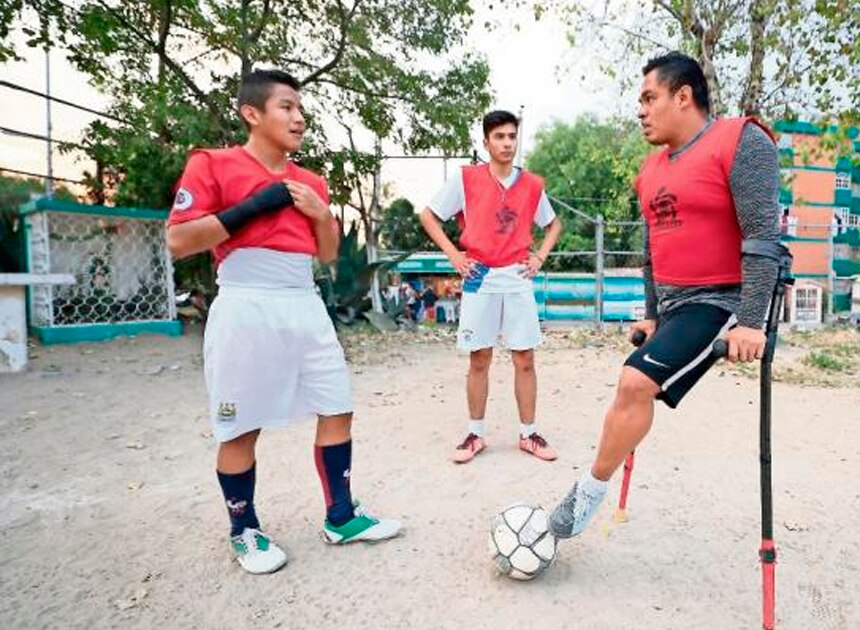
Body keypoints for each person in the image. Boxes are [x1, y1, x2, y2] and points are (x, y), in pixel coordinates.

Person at [165, 69, 401, 575]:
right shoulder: (212, 164)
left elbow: (328, 254)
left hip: (303, 300)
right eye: (286, 107)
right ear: (252, 113)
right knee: (240, 427)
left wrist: (321, 214)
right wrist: (249, 208)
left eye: (300, 109)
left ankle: (341, 516)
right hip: (246, 300)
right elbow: (178, 241)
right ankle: (244, 530)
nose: (298, 118)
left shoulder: (311, 182)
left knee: (337, 407)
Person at [547, 52, 782, 538]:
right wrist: (652, 313)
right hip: (673, 306)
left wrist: (751, 323)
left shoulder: (743, 141)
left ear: (683, 96)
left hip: (720, 301)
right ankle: (593, 486)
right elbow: (652, 249)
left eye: (649, 98)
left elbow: (763, 237)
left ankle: (586, 495)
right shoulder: (650, 170)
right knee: (631, 384)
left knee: (633, 383)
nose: (641, 110)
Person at [419, 110, 563, 464]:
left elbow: (554, 225)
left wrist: (539, 257)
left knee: (525, 358)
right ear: (486, 142)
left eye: (512, 136)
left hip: (517, 276)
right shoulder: (466, 178)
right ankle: (475, 433)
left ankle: (529, 434)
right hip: (479, 276)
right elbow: (428, 216)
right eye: (499, 136)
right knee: (479, 357)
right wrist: (454, 255)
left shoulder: (531, 184)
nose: (507, 143)